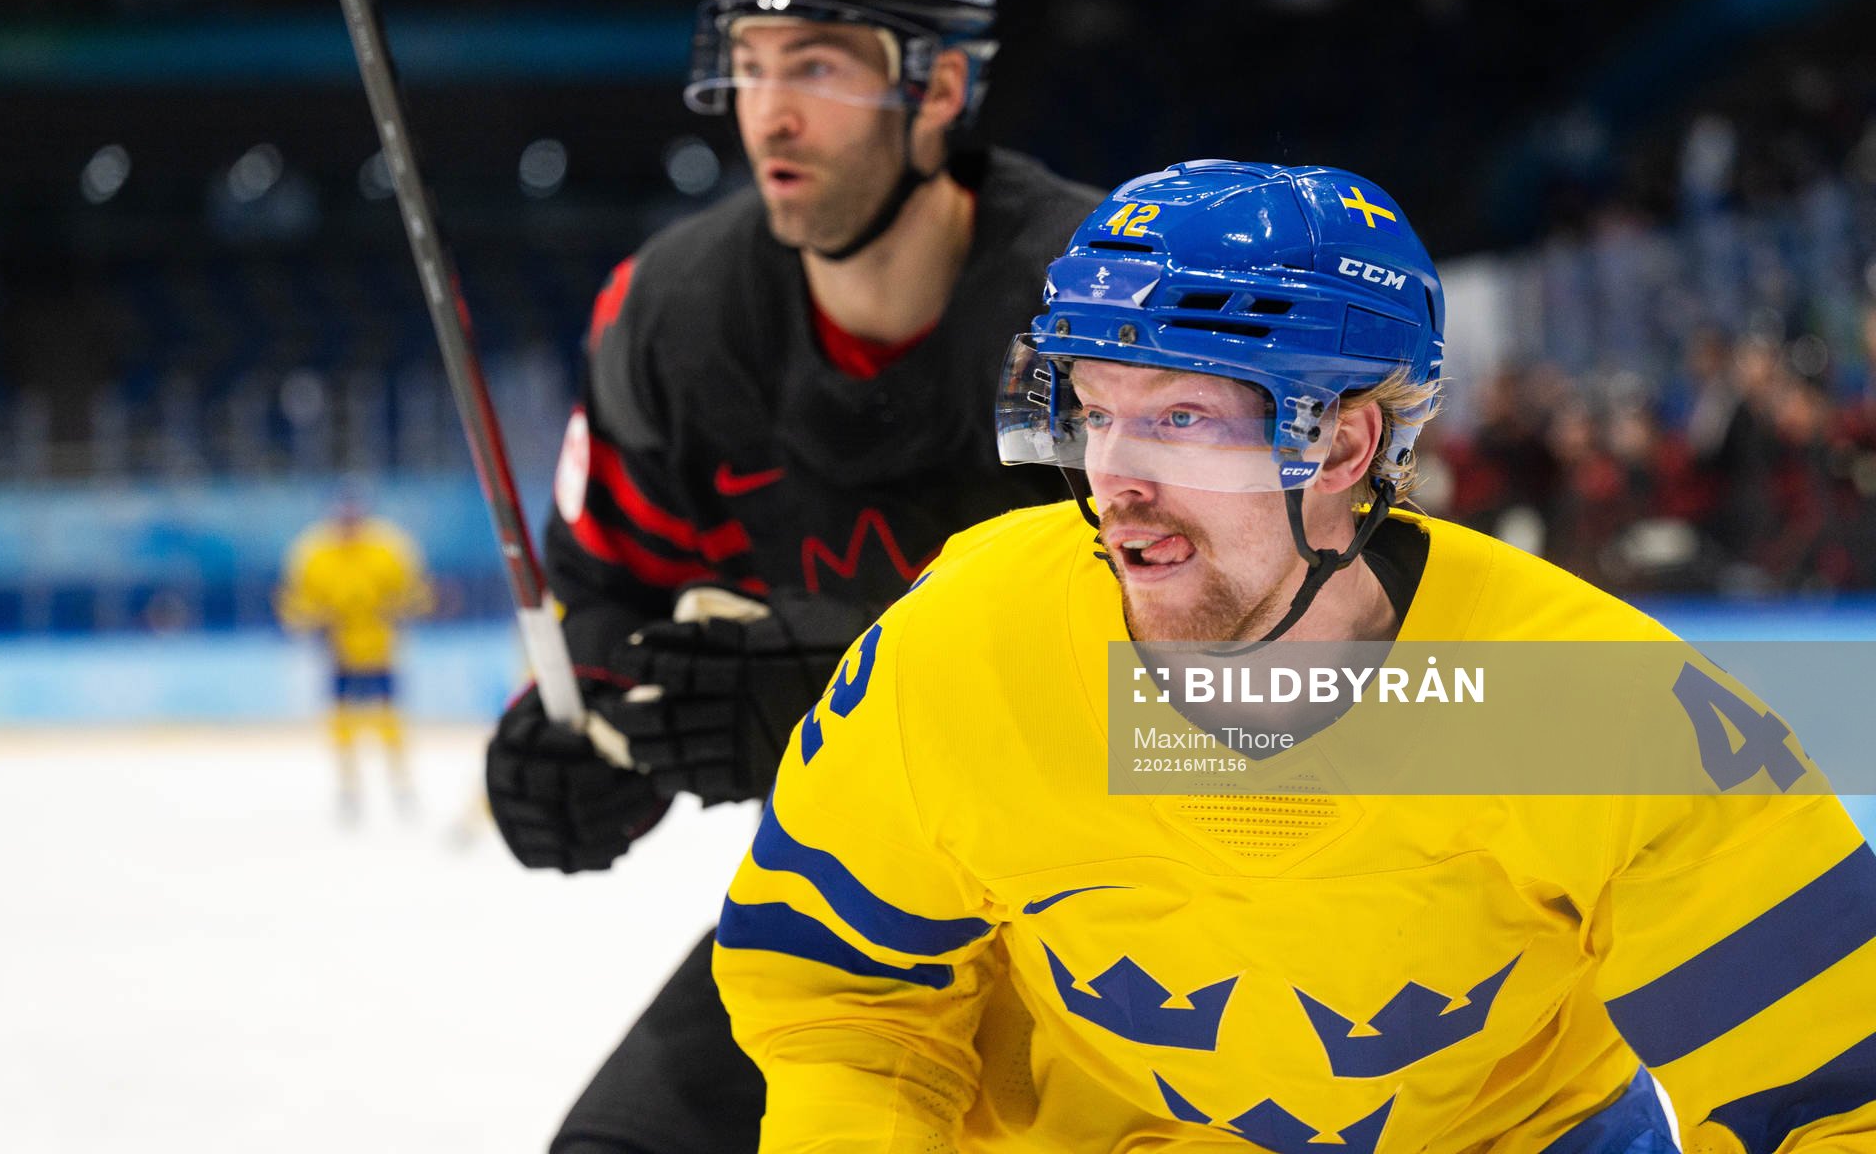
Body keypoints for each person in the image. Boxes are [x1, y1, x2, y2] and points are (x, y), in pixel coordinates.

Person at [714, 161, 1876, 1152]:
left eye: (1180, 418)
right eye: (1098, 411)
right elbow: (841, 993)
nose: (1116, 479)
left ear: (1343, 444)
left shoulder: (1576, 705)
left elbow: (1834, 1093)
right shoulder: (967, 644)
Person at [481, 0, 1100, 1154]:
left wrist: (864, 693)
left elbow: (1304, 702)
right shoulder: (676, 314)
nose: (768, 111)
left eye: (816, 66)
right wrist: (591, 730)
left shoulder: (1114, 309)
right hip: (864, 916)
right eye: (751, 65)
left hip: (1135, 923)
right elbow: (609, 585)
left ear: (940, 88)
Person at [276, 492, 433, 821]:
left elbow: (416, 592)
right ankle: (349, 787)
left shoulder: (388, 547)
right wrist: (313, 619)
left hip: (381, 650)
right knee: (342, 723)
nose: (348, 527)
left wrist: (398, 609)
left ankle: (400, 784)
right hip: (339, 653)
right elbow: (295, 601)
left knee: (388, 721)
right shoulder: (314, 552)